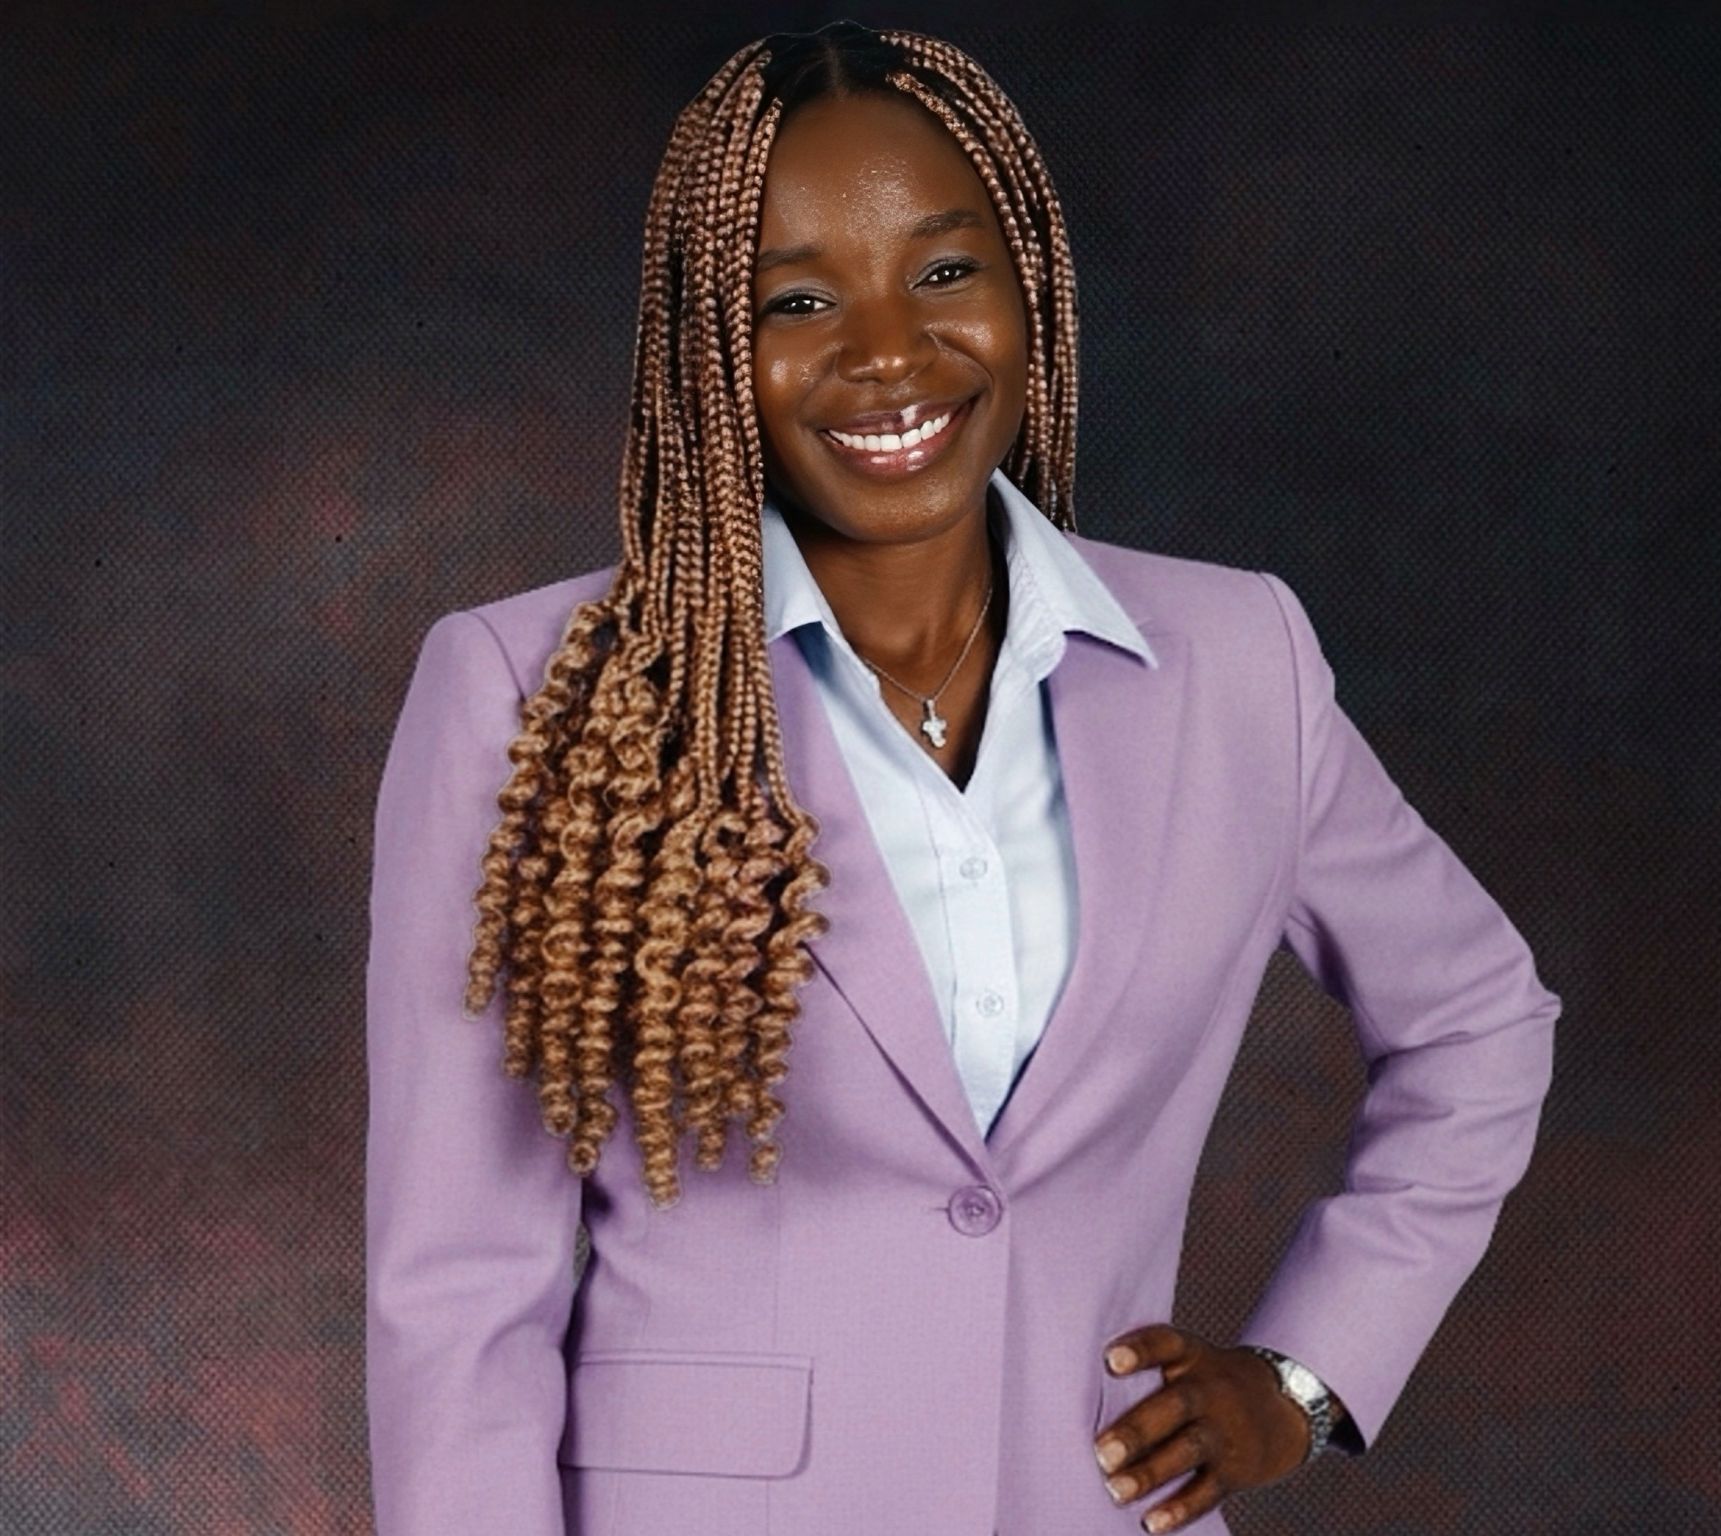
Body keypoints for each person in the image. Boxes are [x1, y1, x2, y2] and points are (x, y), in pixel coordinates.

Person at [364, 21, 1561, 1536]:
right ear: (706, 351)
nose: (887, 352)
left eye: (943, 272)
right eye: (798, 299)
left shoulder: (1237, 660)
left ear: (1031, 286)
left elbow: (1477, 1022)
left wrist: (1305, 1378)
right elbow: (460, 1291)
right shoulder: (536, 696)